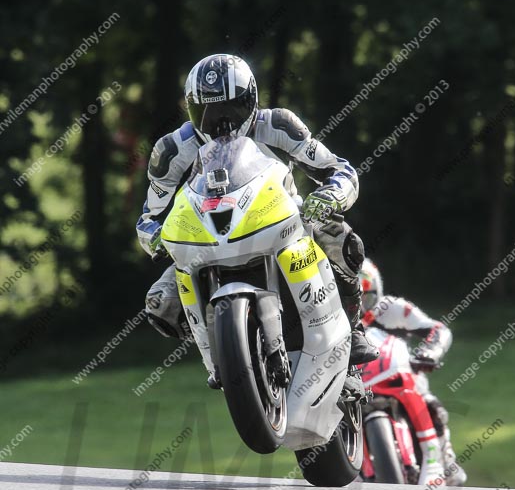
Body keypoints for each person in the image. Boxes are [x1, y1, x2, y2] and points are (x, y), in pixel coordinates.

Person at [137, 53, 378, 383]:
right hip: (207, 239)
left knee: (342, 240)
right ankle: (225, 350)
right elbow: (149, 215)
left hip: (282, 224)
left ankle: (353, 330)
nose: (220, 123)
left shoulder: (278, 125)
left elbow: (338, 169)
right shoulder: (172, 150)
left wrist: (331, 194)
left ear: (250, 100)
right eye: (207, 112)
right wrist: (154, 236)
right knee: (160, 303)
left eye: (230, 109)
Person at [359, 257, 467, 486]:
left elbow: (437, 329)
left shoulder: (392, 308)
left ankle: (443, 456)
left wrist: (431, 352)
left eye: (364, 298)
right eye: (349, 297)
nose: (357, 306)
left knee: (433, 407)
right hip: (355, 386)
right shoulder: (332, 320)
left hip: (402, 378)